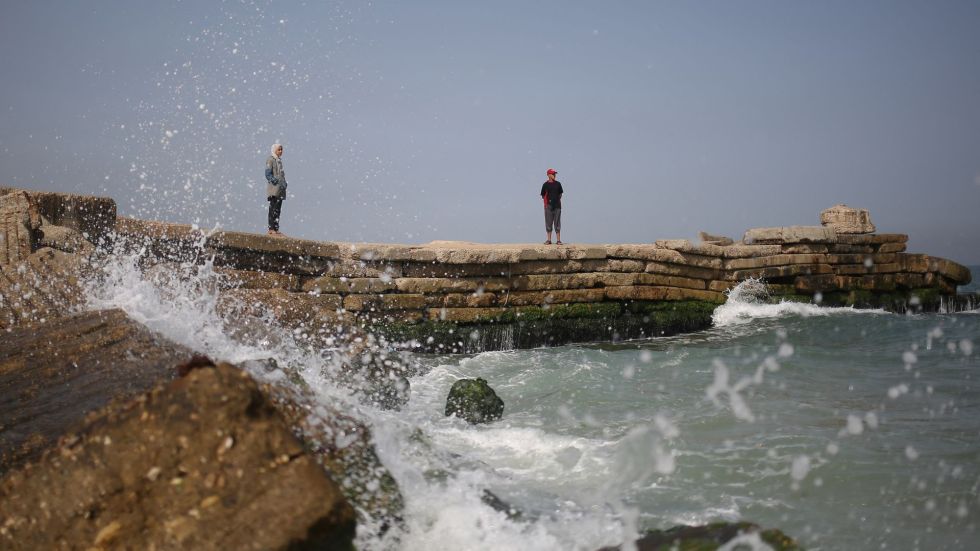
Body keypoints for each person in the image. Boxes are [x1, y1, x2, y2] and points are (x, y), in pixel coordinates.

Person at [265, 143, 287, 236]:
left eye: (281, 149)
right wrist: (275, 181)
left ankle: (276, 228)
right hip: (274, 189)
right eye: (279, 149)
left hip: (280, 189)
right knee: (273, 208)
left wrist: (284, 183)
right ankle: (271, 228)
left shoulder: (279, 161)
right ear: (274, 150)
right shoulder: (271, 160)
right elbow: (268, 174)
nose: (281, 151)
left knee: (278, 209)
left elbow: (282, 174)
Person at [540, 168, 564, 245]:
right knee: (548, 222)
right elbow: (543, 195)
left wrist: (556, 200)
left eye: (555, 174)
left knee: (557, 222)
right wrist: (548, 203)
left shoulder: (558, 184)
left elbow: (560, 194)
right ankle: (549, 240)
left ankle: (558, 240)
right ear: (548, 175)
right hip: (548, 206)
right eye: (553, 174)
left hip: (557, 206)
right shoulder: (545, 185)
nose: (554, 175)